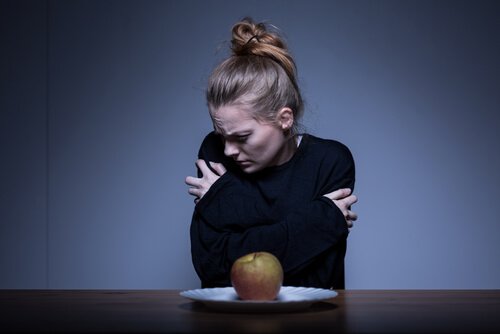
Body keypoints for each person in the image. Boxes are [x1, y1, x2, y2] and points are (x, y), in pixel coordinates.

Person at [185, 17, 358, 290]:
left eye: (242, 137)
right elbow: (213, 266)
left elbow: (316, 280)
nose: (229, 150)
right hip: (227, 322)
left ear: (285, 119)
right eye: (222, 136)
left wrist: (223, 199)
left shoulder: (330, 161)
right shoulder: (214, 150)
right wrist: (319, 221)